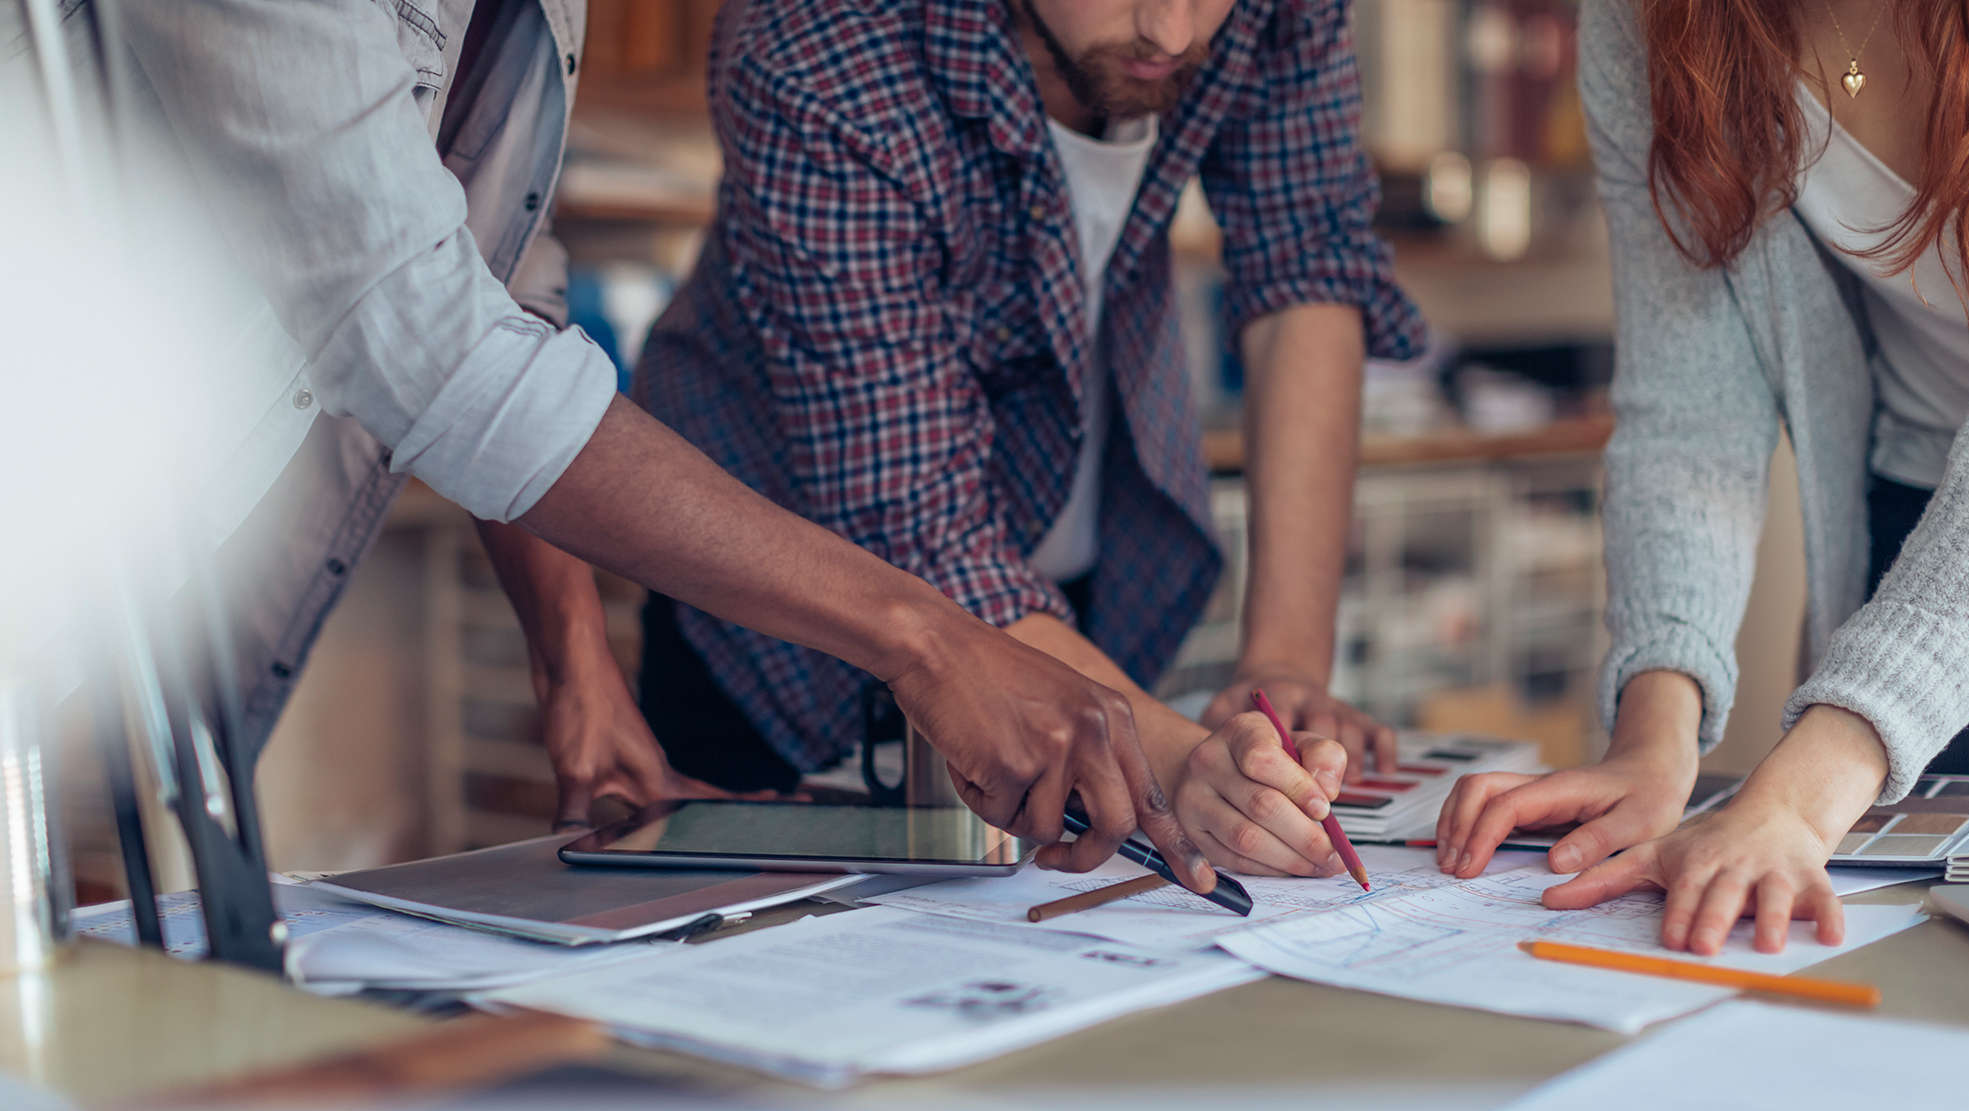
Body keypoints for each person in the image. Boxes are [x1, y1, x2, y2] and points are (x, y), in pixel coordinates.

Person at [13, 0, 1314, 891]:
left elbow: (489, 271)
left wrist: (570, 650)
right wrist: (928, 635)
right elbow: (422, 337)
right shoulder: (821, 46)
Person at [482, 0, 1427, 878]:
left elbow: (1306, 263)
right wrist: (1180, 761)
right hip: (795, 635)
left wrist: (1286, 664)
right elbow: (919, 527)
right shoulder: (820, 40)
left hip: (1077, 616)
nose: (1172, 32)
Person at [1433, 0, 1969, 953]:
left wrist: (1804, 787)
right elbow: (1689, 406)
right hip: (1913, 518)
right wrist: (1656, 735)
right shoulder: (1651, 21)